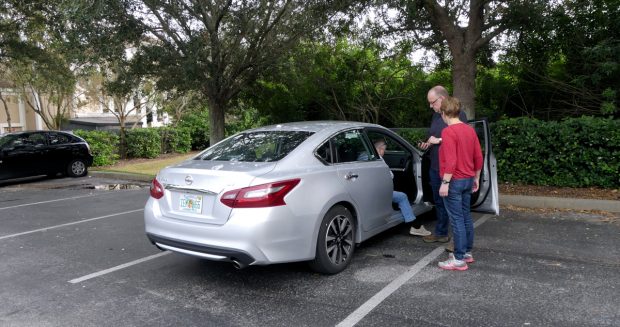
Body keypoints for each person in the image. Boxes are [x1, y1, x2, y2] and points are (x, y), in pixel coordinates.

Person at [436, 96, 482, 271]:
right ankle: (466, 253)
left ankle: (459, 259)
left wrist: (445, 183)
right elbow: (478, 156)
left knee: (456, 220)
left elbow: (451, 161)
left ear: (444, 113)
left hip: (454, 181)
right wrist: (476, 178)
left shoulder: (448, 132)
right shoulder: (469, 130)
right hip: (468, 180)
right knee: (465, 216)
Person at [418, 86, 467, 241]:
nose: (431, 106)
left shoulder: (459, 115)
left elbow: (462, 138)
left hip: (451, 169)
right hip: (435, 166)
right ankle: (441, 233)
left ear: (442, 99)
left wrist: (438, 140)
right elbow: (431, 136)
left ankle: (458, 241)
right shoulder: (435, 117)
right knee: (439, 202)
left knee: (454, 206)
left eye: (432, 102)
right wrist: (427, 143)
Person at [374, 140, 429, 235]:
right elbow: (389, 175)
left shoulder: (363, 156)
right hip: (380, 191)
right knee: (402, 196)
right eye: (384, 150)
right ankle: (414, 225)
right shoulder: (378, 159)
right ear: (379, 149)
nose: (384, 152)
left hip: (372, 189)